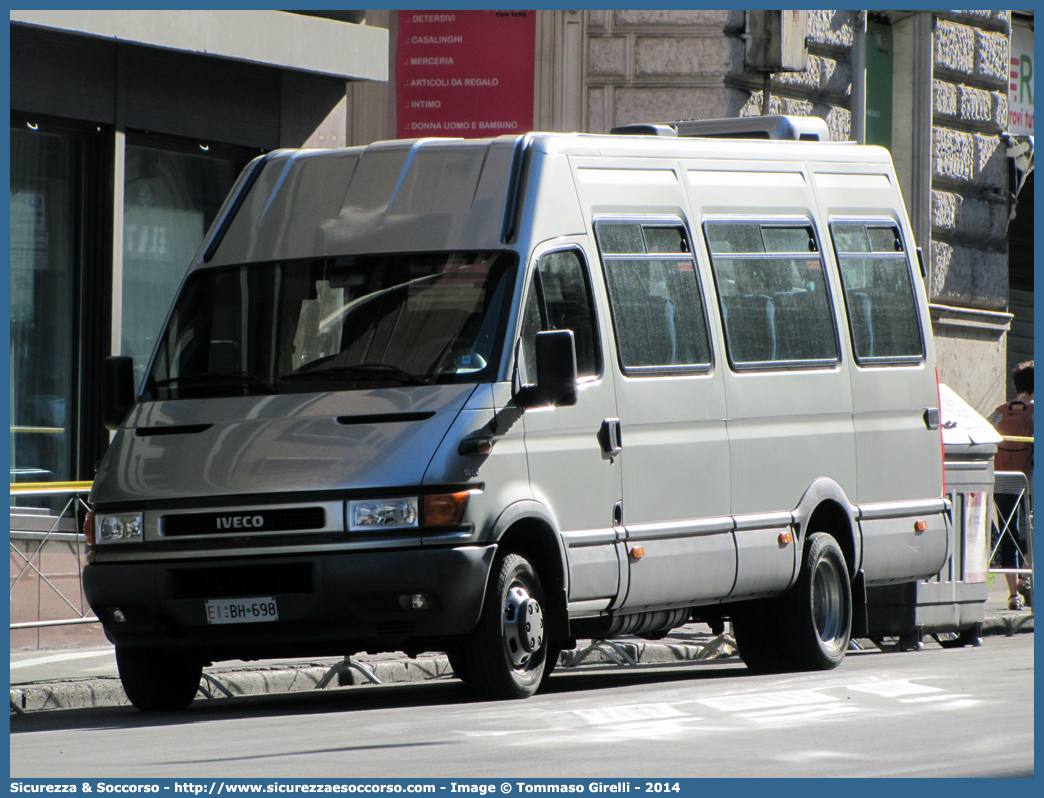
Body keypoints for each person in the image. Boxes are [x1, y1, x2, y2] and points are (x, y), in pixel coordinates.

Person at [989, 360, 1033, 610]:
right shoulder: (1035, 411)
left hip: (1002, 478)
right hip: (1027, 480)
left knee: (1009, 533)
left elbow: (983, 431)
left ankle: (1013, 594)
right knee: (1030, 532)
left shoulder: (1002, 410)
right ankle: (1026, 577)